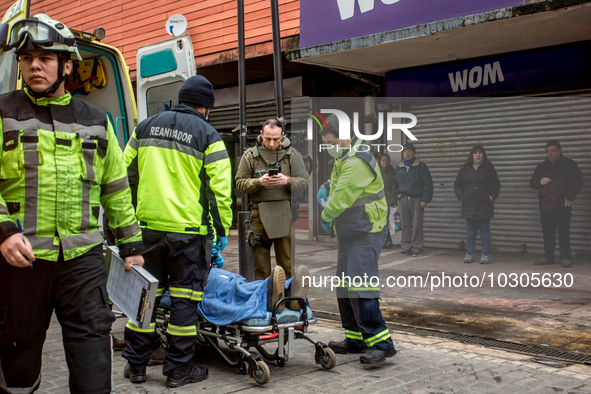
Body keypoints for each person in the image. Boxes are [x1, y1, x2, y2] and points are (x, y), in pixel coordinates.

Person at [0, 15, 144, 394]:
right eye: (28, 57)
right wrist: (4, 232)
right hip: (21, 262)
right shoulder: (2, 112)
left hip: (83, 260)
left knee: (93, 351)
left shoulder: (95, 121)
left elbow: (115, 186)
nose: (34, 65)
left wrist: (131, 247)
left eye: (45, 58)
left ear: (66, 65)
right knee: (18, 353)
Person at [121, 75, 233, 388]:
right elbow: (219, 190)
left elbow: (123, 174)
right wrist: (221, 231)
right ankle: (177, 369)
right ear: (205, 107)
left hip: (146, 233)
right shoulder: (209, 135)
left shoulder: (144, 127)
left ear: (180, 99)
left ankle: (136, 366)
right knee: (184, 302)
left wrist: (126, 220)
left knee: (144, 300)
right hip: (188, 236)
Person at [316, 114, 396, 364]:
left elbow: (341, 198)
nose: (328, 147)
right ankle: (356, 338)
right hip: (352, 230)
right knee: (344, 287)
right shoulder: (345, 155)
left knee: (362, 287)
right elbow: (337, 183)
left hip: (367, 231)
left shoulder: (356, 160)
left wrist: (326, 215)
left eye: (330, 142)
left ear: (344, 137)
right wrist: (326, 186)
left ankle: (382, 343)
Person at [235, 119, 309, 280]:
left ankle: (290, 301)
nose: (272, 143)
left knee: (287, 266)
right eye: (268, 138)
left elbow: (303, 183)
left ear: (282, 135)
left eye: (276, 139)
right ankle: (264, 301)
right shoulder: (250, 156)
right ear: (261, 134)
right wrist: (259, 182)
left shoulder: (292, 155)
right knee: (260, 268)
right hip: (258, 215)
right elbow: (240, 184)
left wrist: (287, 181)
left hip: (284, 214)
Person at [530, 140, 583, 268]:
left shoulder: (568, 164)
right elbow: (532, 183)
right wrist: (539, 181)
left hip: (561, 204)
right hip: (545, 205)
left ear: (559, 151)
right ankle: (548, 257)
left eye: (553, 150)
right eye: (548, 151)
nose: (550, 153)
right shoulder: (541, 167)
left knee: (563, 232)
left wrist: (569, 197)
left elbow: (578, 180)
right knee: (548, 233)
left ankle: (565, 257)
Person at [454, 145, 501, 264]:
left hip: (484, 205)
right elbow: (457, 185)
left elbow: (496, 185)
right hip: (469, 204)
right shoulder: (465, 168)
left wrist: (491, 197)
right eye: (475, 153)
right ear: (472, 155)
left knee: (485, 230)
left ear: (483, 155)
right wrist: (461, 197)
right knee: (470, 231)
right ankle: (469, 253)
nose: (478, 155)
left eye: (480, 152)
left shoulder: (488, 168)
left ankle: (485, 254)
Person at [391, 142, 433, 257]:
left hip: (417, 199)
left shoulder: (421, 167)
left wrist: (425, 199)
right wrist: (395, 201)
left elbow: (428, 184)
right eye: (404, 151)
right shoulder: (399, 168)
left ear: (413, 153)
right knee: (404, 225)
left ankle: (417, 247)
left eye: (409, 151)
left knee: (418, 224)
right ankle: (406, 247)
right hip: (402, 199)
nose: (406, 153)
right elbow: (394, 185)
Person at [379, 154, 396, 248]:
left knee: (390, 222)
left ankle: (389, 240)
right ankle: (384, 240)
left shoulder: (393, 172)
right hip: (380, 200)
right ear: (380, 161)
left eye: (387, 160)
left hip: (390, 200)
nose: (385, 162)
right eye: (383, 160)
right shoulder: (377, 172)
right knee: (382, 221)